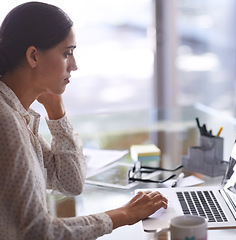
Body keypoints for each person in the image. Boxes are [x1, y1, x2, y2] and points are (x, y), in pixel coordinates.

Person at [0, 2, 168, 239]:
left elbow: (70, 182)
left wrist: (56, 110)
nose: (74, 65)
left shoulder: (18, 114)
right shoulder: (6, 120)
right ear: (33, 56)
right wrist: (123, 215)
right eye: (67, 53)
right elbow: (38, 231)